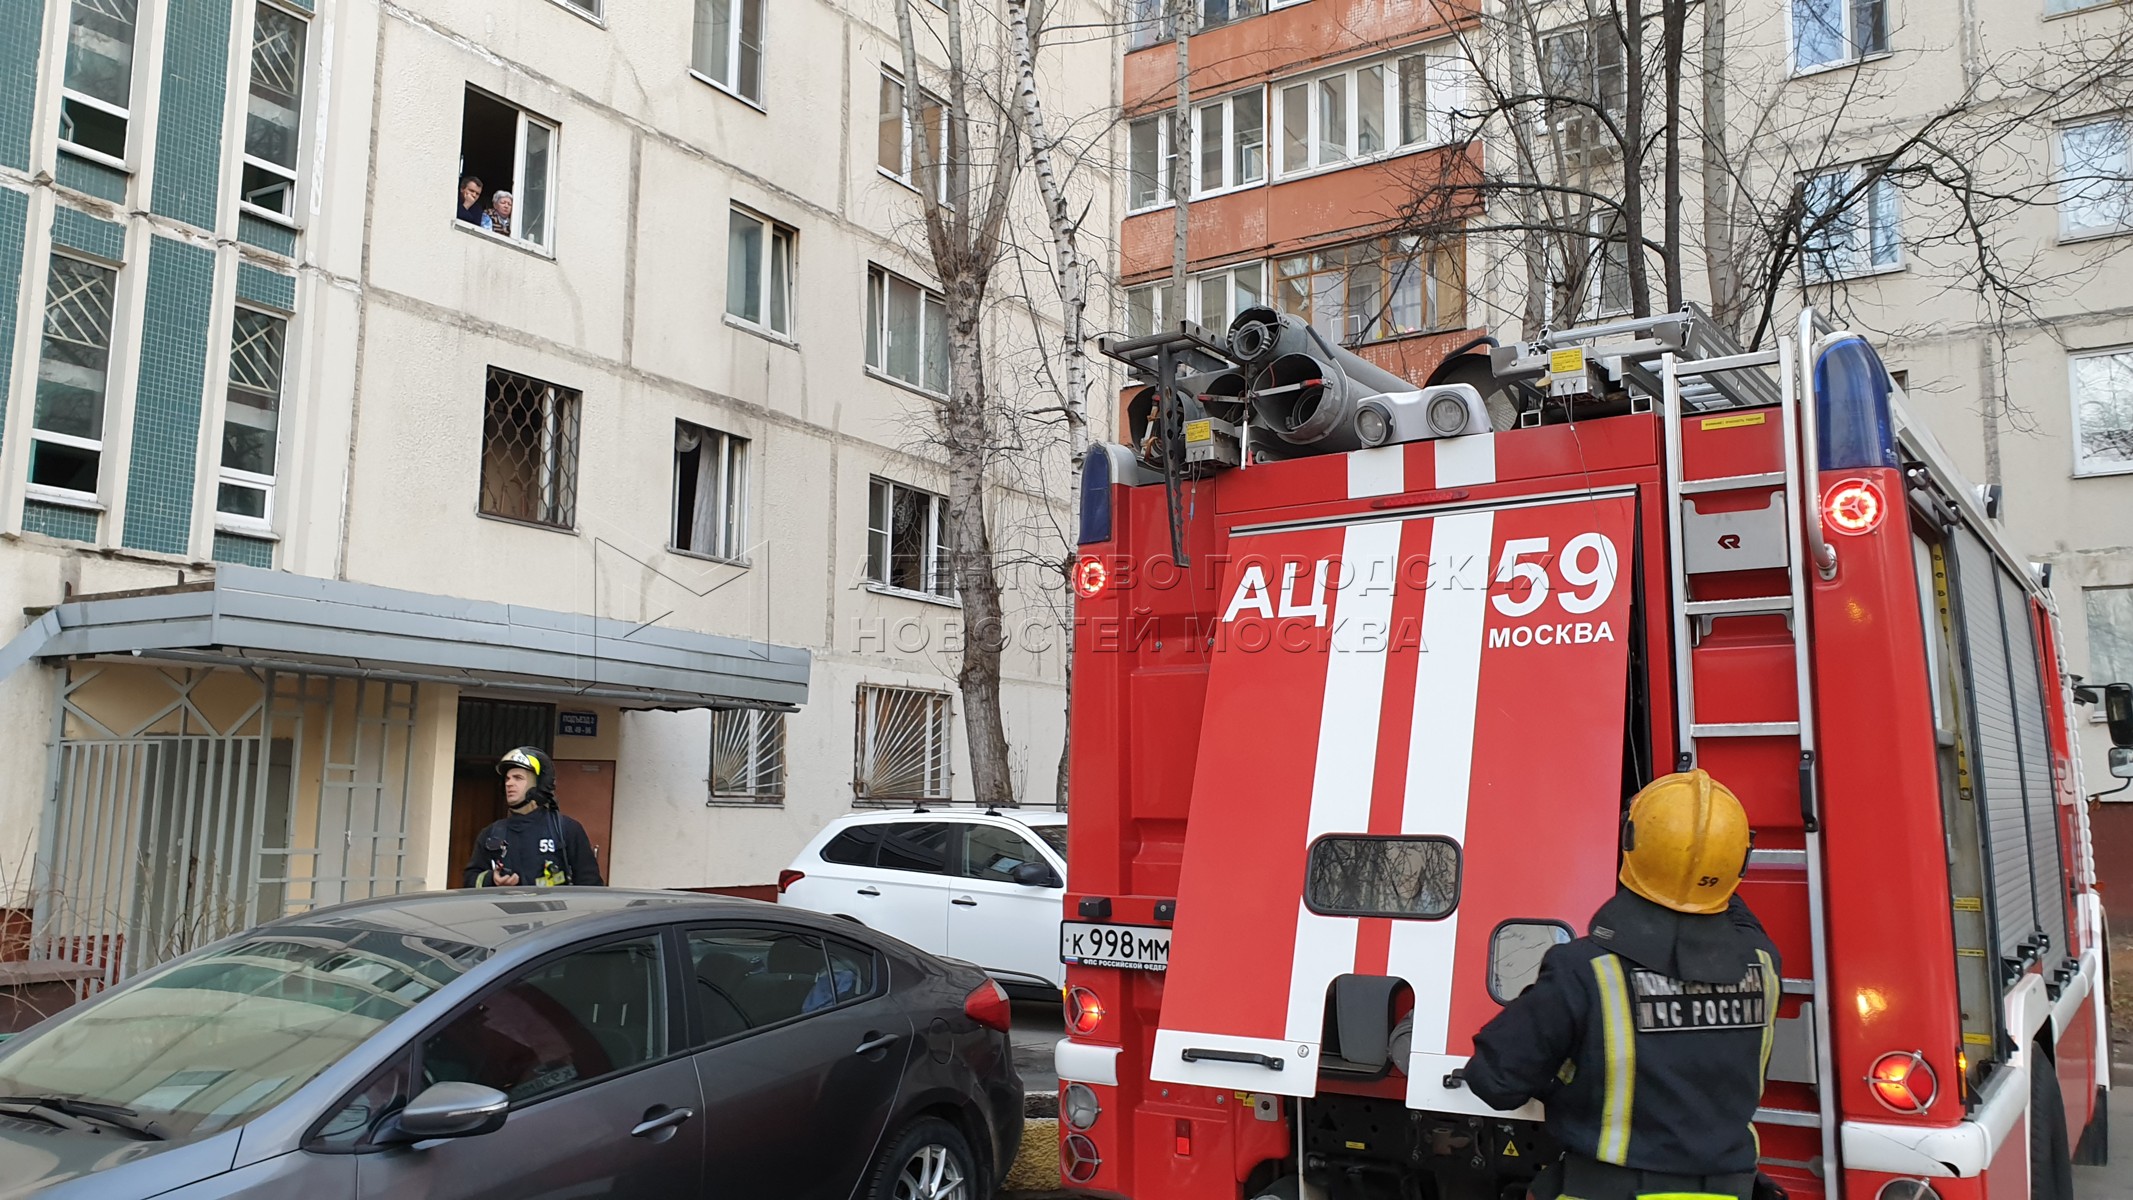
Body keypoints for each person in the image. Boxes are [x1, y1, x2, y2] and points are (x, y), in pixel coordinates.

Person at [1452, 769, 1782, 1200]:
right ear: (1739, 861)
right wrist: (1704, 863)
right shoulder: (1763, 964)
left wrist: (1569, 1074)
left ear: (1630, 842)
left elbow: (1493, 1082)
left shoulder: (1585, 971)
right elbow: (1730, 915)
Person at [462, 746, 605, 888]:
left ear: (538, 785)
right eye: (507, 779)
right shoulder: (491, 834)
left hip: (553, 911)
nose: (509, 783)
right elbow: (470, 881)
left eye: (518, 778)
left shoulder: (566, 830)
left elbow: (591, 886)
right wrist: (491, 879)